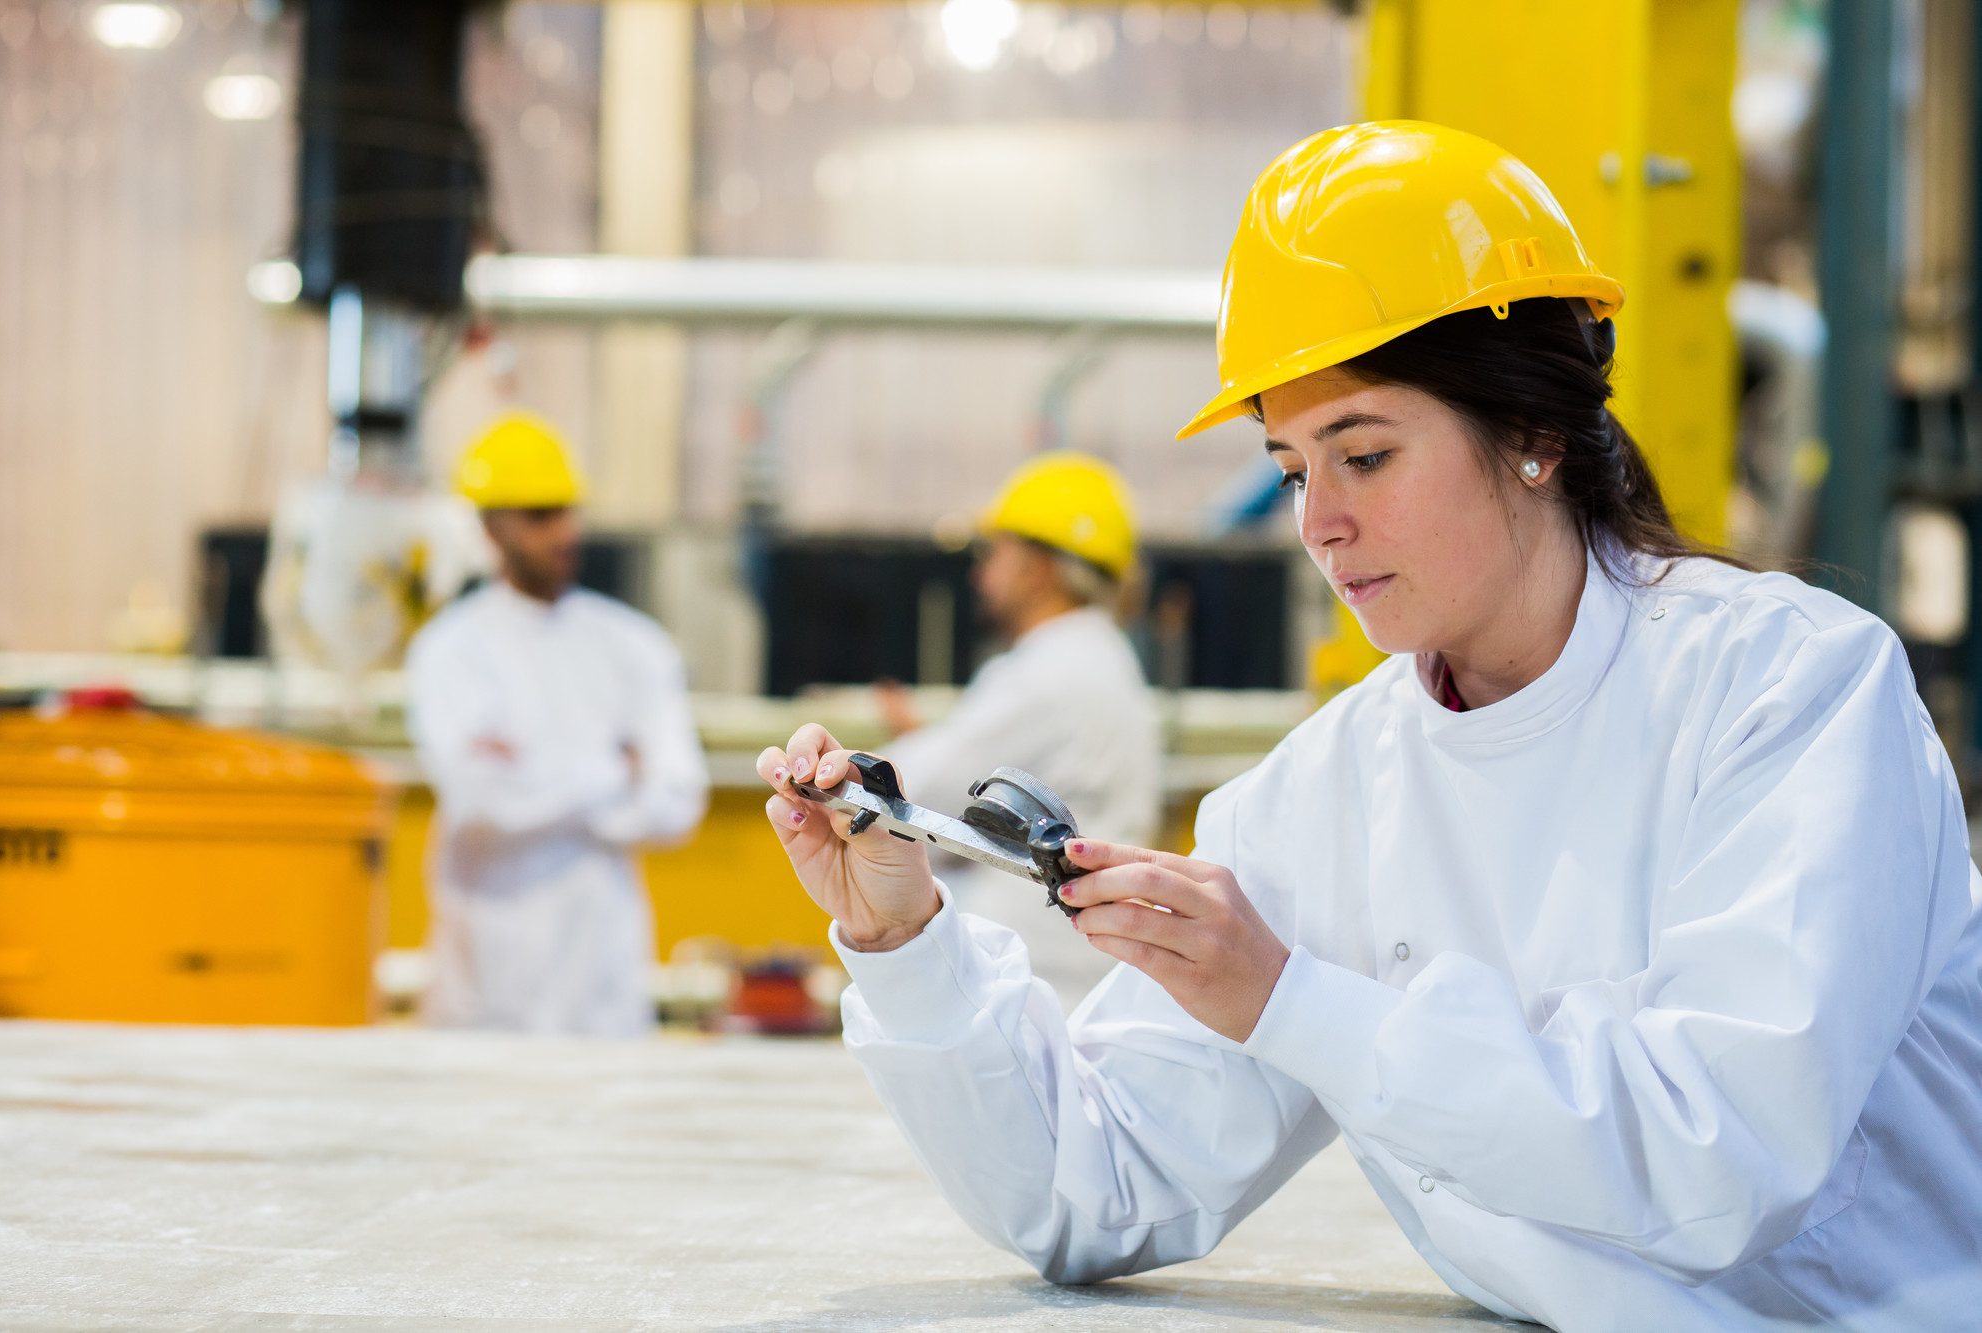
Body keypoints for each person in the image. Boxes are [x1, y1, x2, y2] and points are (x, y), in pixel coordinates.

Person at [757, 123, 1982, 1331]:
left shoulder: (1793, 691)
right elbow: (1098, 1187)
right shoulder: (1320, 793)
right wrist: (903, 938)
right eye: (1294, 468)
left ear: (1536, 434)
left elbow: (1726, 1154)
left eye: (1366, 454)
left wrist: (1293, 1000)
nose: (1318, 525)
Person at [407, 413, 707, 1037]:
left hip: (603, 976)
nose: (565, 531)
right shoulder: (450, 651)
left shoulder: (632, 645)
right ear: (491, 526)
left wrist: (535, 776)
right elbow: (485, 802)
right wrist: (615, 770)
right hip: (488, 978)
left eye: (568, 511)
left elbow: (677, 804)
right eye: (541, 515)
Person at [877, 453, 1161, 1007]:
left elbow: (909, 792)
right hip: (1069, 970)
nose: (982, 573)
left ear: (1041, 567)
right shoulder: (1094, 658)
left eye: (995, 553)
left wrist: (837, 773)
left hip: (1034, 977)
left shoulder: (1051, 671)